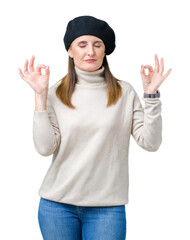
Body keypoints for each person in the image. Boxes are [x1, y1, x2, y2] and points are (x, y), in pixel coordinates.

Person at [18, 15, 172, 240]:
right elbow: (44, 148)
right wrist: (40, 97)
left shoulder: (124, 93)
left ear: (104, 50)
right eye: (82, 45)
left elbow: (150, 143)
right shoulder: (55, 92)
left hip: (106, 208)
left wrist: (151, 96)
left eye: (97, 44)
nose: (90, 51)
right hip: (57, 207)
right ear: (70, 51)